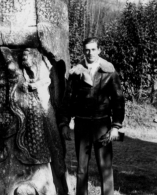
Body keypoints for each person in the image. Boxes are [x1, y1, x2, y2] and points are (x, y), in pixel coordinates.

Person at [59, 37, 125, 195]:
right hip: (81, 125)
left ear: (99, 50)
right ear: (83, 51)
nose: (90, 53)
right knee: (81, 169)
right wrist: (64, 123)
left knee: (105, 168)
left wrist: (116, 126)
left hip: (102, 125)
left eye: (93, 49)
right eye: (87, 49)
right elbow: (67, 101)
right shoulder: (75, 73)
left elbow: (118, 100)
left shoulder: (109, 72)